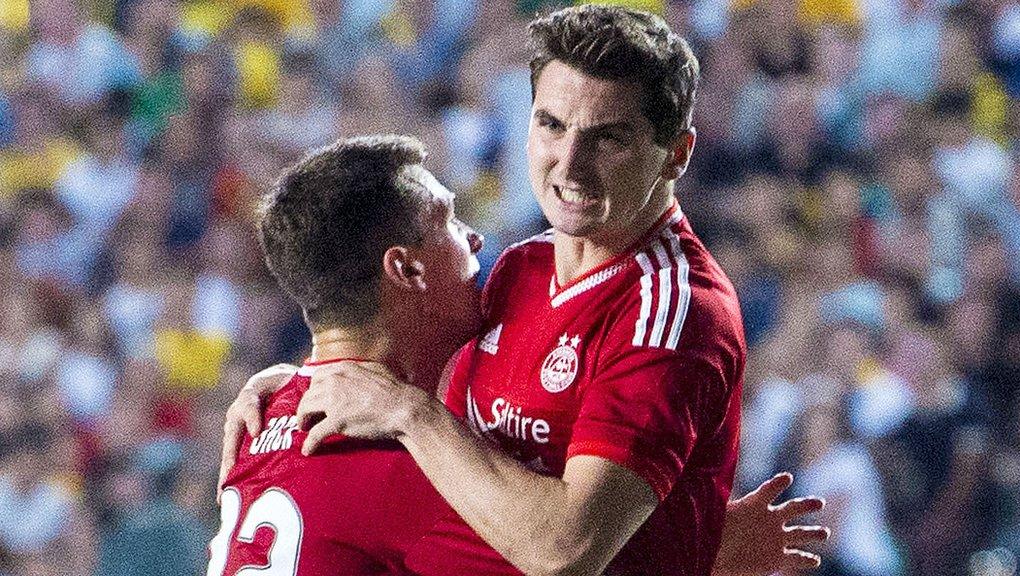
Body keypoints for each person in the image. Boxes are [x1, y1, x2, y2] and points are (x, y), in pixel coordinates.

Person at [220, 6, 829, 575]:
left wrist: (402, 413)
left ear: (676, 154)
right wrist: (305, 378)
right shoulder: (519, 270)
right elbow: (397, 333)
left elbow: (567, 549)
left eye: (608, 138)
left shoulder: (671, 313)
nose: (569, 163)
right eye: (552, 124)